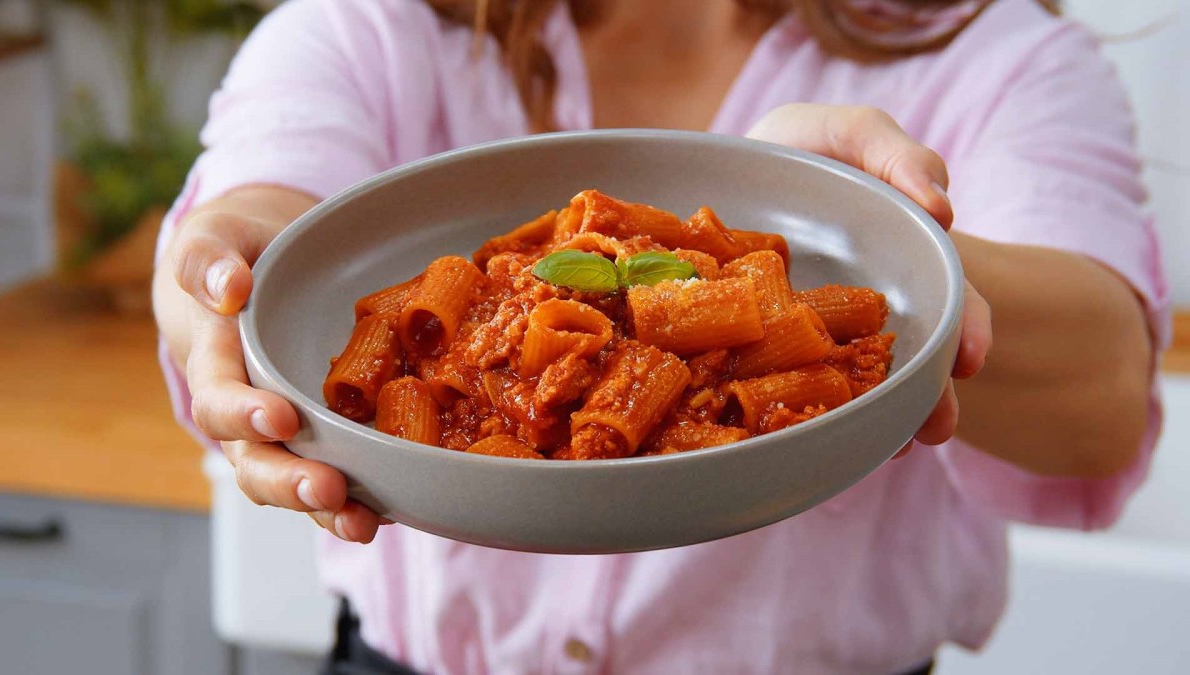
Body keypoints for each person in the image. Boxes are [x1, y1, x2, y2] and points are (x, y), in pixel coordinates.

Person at [152, 0, 1168, 672]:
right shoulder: (370, 24)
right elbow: (260, 228)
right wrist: (220, 276)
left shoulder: (998, 52)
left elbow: (1105, 396)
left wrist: (866, 230)